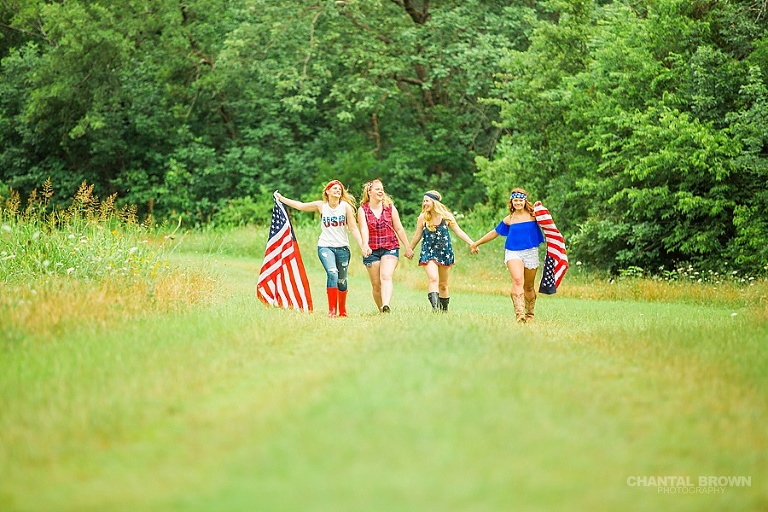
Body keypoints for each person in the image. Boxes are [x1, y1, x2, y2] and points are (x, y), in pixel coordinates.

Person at [275, 180, 370, 317]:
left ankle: (342, 310)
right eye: (334, 188)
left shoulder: (345, 207)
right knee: (332, 273)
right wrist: (281, 198)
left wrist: (363, 245)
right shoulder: (321, 206)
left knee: (342, 280)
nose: (338, 190)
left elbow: (353, 228)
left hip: (343, 248)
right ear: (327, 191)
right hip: (325, 246)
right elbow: (300, 205)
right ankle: (332, 310)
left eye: (340, 189)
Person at [470, 188, 544, 323]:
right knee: (517, 280)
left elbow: (549, 225)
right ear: (512, 202)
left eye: (520, 200)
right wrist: (476, 243)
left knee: (528, 286)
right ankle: (519, 314)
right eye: (515, 200)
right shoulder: (509, 219)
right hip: (513, 252)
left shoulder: (534, 216)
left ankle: (530, 315)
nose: (518, 203)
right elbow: (494, 233)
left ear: (525, 201)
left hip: (531, 252)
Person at [408, 190, 474, 312]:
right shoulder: (423, 217)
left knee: (443, 285)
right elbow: (417, 235)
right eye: (424, 201)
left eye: (427, 201)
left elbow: (458, 231)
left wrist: (472, 243)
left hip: (445, 253)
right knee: (433, 278)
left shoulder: (446, 216)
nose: (424, 203)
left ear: (435, 202)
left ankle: (444, 311)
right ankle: (435, 309)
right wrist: (409, 249)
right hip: (428, 252)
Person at [357, 178, 414, 313]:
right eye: (377, 189)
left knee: (386, 276)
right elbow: (364, 229)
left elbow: (399, 228)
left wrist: (407, 247)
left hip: (390, 247)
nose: (381, 191)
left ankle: (386, 304)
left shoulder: (390, 207)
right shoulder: (363, 210)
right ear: (369, 192)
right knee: (376, 285)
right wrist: (365, 245)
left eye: (382, 189)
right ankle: (382, 310)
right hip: (372, 250)